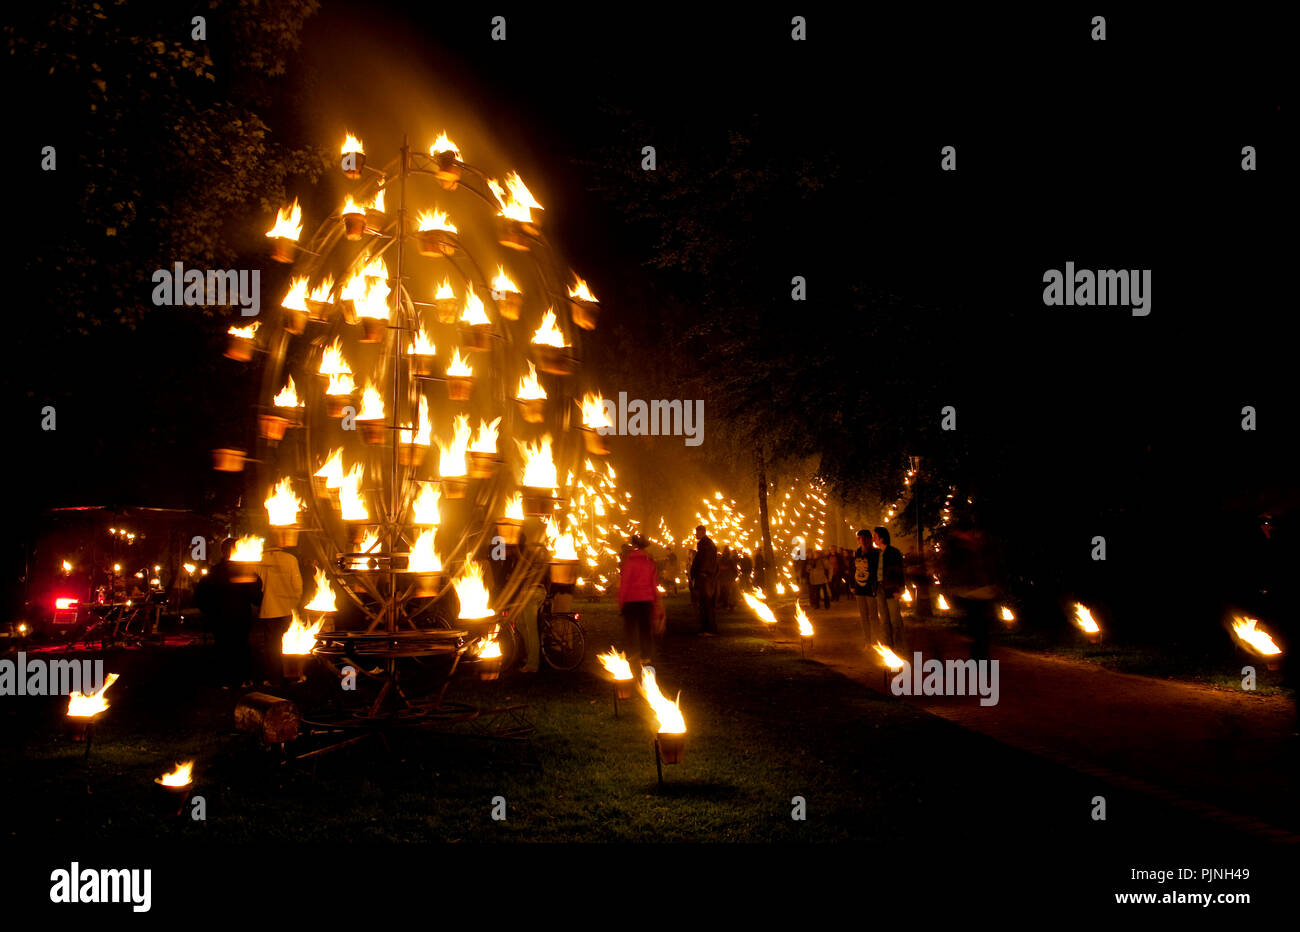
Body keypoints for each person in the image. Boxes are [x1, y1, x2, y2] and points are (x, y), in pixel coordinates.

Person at [193, 538, 261, 687]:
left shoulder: (215, 571)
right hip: (240, 615)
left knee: (223, 646)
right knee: (241, 646)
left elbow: (200, 595)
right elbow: (255, 595)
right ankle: (243, 678)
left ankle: (226, 679)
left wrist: (209, 611)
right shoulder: (244, 571)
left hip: (220, 616)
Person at [943, 511, 1001, 660]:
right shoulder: (959, 549)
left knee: (981, 628)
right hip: (969, 593)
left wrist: (993, 583)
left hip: (981, 591)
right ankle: (979, 658)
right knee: (978, 628)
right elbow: (953, 568)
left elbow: (989, 565)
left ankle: (980, 658)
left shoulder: (979, 546)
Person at [253, 543, 303, 687]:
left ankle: (274, 678)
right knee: (290, 644)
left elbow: (256, 585)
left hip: (269, 609)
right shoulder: (291, 559)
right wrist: (293, 602)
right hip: (287, 609)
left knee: (272, 647)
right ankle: (292, 675)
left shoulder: (259, 559)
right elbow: (298, 585)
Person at [618, 535, 661, 666]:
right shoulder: (650, 562)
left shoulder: (629, 562)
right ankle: (646, 656)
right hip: (646, 601)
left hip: (631, 601)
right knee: (645, 630)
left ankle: (631, 654)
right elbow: (654, 583)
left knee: (630, 629)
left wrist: (621, 601)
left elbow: (624, 583)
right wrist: (655, 600)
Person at [873, 527, 905, 648]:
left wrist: (899, 590)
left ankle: (899, 644)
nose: (873, 539)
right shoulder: (876, 553)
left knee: (895, 619)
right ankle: (888, 644)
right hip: (880, 588)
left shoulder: (893, 553)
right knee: (884, 619)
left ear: (882, 538)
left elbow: (899, 572)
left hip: (891, 589)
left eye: (875, 536)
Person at [850, 530, 880, 647]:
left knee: (873, 615)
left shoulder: (875, 553)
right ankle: (868, 640)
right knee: (863, 616)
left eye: (863, 538)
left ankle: (876, 639)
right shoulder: (857, 552)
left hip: (870, 587)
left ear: (869, 539)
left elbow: (875, 569)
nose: (861, 541)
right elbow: (853, 569)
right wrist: (852, 585)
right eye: (859, 538)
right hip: (859, 588)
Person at [690, 525, 719, 636]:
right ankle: (707, 628)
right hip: (706, 576)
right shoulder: (707, 545)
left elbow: (705, 561)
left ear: (702, 532)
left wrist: (702, 572)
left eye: (697, 532)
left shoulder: (705, 545)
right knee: (705, 603)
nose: (695, 535)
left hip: (705, 577)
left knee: (706, 603)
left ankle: (709, 629)